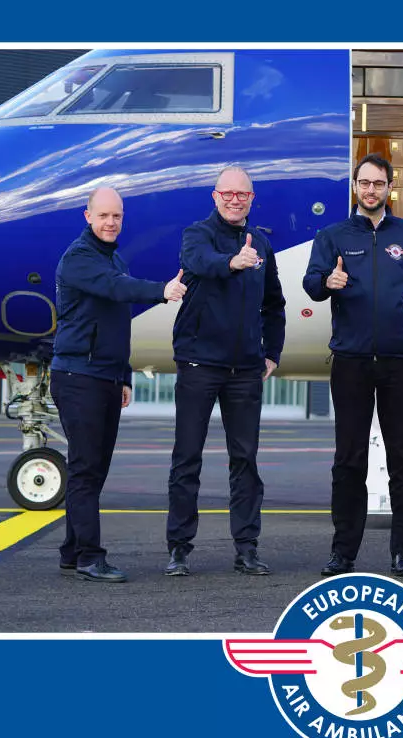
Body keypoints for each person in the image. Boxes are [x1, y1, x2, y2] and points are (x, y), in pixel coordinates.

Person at [303, 153, 403, 578]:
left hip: (399, 362)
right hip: (352, 363)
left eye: (379, 183)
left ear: (389, 187)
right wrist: (327, 282)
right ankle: (343, 552)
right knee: (349, 460)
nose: (371, 190)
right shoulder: (333, 235)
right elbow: (311, 283)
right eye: (364, 182)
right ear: (354, 186)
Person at [51, 187, 187, 582]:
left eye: (117, 216)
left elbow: (115, 323)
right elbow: (116, 289)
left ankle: (72, 551)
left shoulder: (113, 258)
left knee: (92, 471)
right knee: (85, 470)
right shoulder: (79, 259)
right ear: (87, 216)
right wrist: (161, 291)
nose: (111, 223)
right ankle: (91, 557)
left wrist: (123, 374)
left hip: (104, 377)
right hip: (78, 376)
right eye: (104, 216)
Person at [165, 166, 286, 577]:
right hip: (199, 364)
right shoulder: (196, 235)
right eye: (228, 193)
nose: (235, 200)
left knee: (245, 461)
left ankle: (247, 547)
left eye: (243, 194)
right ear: (215, 196)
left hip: (246, 370)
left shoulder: (263, 245)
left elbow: (274, 304)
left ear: (252, 199)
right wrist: (233, 262)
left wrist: (272, 353)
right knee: (187, 459)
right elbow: (197, 262)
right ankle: (179, 548)